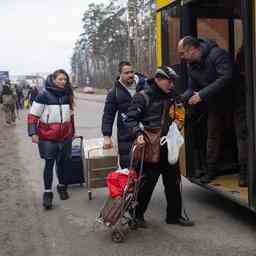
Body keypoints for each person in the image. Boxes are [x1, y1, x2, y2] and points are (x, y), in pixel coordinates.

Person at [126, 66, 194, 227]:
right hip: (150, 148)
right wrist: (138, 134)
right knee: (145, 185)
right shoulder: (142, 97)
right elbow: (130, 120)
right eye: (168, 81)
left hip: (169, 147)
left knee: (174, 183)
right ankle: (136, 216)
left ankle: (174, 217)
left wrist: (179, 122)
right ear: (157, 79)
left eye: (173, 81)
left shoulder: (174, 96)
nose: (171, 84)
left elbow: (181, 114)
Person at [178, 36, 233, 183]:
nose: (181, 57)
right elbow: (192, 88)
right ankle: (211, 170)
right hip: (215, 104)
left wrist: (201, 95)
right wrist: (181, 99)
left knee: (242, 134)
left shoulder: (217, 54)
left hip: (235, 101)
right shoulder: (192, 65)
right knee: (212, 135)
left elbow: (226, 77)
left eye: (182, 53)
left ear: (192, 50)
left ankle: (245, 172)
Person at [27, 69, 75, 210]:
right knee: (49, 164)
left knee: (63, 164)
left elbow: (70, 116)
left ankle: (61, 186)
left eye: (65, 79)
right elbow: (32, 116)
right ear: (53, 80)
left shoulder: (67, 94)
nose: (63, 82)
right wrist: (33, 133)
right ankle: (47, 193)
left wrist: (72, 132)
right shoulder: (43, 95)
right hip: (47, 137)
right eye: (60, 79)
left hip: (65, 136)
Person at [101, 61, 147, 168]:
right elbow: (108, 115)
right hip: (126, 135)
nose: (130, 75)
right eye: (126, 73)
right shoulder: (114, 92)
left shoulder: (144, 85)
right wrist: (107, 136)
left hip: (146, 132)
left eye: (131, 72)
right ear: (120, 74)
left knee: (147, 168)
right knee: (128, 168)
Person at [234, 45, 248, 186]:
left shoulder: (242, 51)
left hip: (242, 102)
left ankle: (244, 172)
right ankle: (244, 172)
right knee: (244, 137)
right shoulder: (244, 53)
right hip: (243, 102)